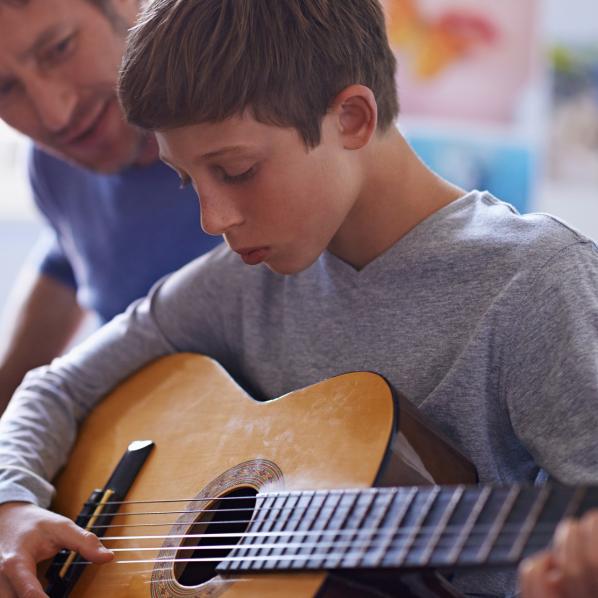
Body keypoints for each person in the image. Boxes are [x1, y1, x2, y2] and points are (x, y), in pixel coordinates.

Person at [0, 0, 597, 596]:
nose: (211, 219)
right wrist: (11, 503)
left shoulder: (537, 281)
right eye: (187, 179)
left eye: (236, 170)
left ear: (352, 119)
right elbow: (57, 386)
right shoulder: (241, 284)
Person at [0, 0, 221, 413]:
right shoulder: (53, 166)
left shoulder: (262, 117)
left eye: (59, 49)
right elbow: (69, 262)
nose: (55, 115)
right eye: (5, 89)